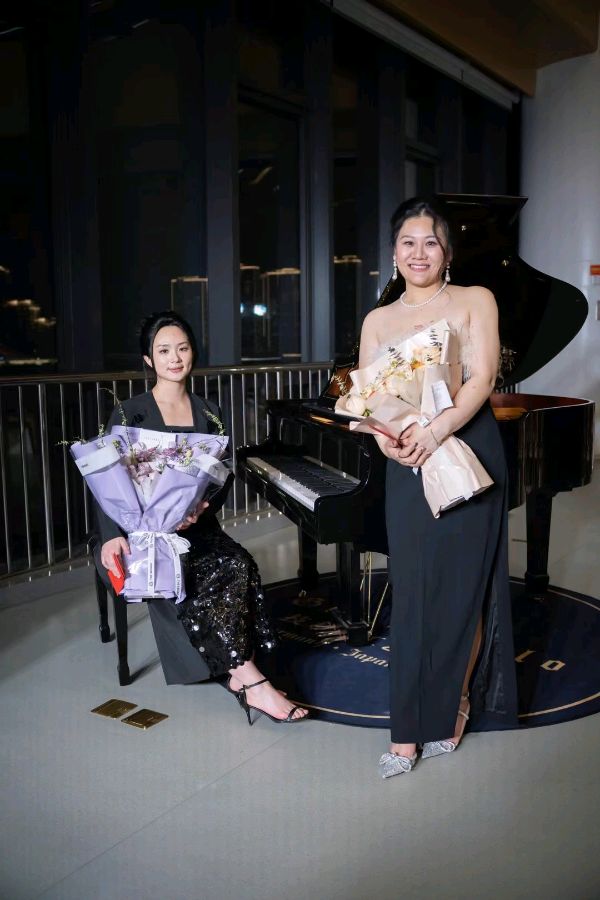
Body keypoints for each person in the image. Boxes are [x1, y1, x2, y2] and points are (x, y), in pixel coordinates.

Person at [356, 197, 518, 778]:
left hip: (468, 450)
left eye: (430, 241)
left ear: (447, 252)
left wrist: (435, 430)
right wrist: (389, 442)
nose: (418, 252)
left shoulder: (476, 300)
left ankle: (456, 702)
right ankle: (405, 732)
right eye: (408, 242)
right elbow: (372, 398)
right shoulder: (378, 320)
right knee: (412, 592)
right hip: (406, 459)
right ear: (394, 252)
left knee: (461, 593)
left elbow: (483, 377)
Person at [94, 311, 308, 724]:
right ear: (149, 359)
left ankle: (241, 671)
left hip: (195, 525)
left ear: (193, 352)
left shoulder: (209, 411)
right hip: (142, 533)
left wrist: (198, 509)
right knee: (207, 569)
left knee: (240, 562)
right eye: (164, 351)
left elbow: (220, 474)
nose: (175, 358)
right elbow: (106, 479)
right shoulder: (129, 413)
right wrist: (110, 535)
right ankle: (250, 680)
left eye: (182, 348)